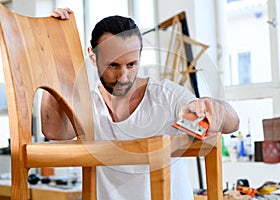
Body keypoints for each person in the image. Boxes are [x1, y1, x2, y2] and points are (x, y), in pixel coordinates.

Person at [41, 8, 240, 200]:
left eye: (131, 64)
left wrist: (213, 107)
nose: (123, 77)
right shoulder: (88, 103)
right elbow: (53, 131)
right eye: (113, 65)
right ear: (93, 57)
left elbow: (233, 123)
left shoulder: (166, 96)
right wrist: (55, 50)